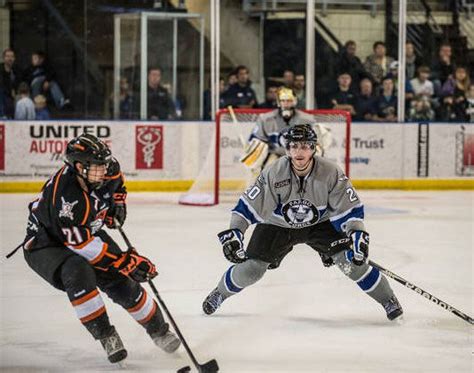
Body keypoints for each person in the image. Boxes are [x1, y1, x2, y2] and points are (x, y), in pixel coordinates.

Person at [202, 124, 404, 322]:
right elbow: (247, 206)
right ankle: (219, 293)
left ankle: (388, 300)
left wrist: (357, 234)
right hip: (278, 225)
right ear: (287, 149)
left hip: (320, 224)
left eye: (305, 146)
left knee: (352, 262)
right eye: (294, 146)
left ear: (313, 149)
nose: (299, 151)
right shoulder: (274, 172)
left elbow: (349, 209)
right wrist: (235, 231)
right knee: (252, 270)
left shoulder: (331, 172)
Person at [20, 134, 180, 365]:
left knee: (121, 281)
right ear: (78, 167)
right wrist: (127, 261)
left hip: (84, 232)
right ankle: (106, 335)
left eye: (104, 165)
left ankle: (159, 331)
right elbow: (81, 245)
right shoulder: (67, 197)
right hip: (46, 244)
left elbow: (118, 185)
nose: (103, 172)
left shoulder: (107, 168)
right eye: (96, 168)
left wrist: (117, 205)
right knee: (78, 270)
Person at [241, 87, 331, 173]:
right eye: (283, 101)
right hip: (274, 155)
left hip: (298, 155)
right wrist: (253, 151)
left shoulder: (307, 120)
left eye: (289, 101)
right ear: (278, 102)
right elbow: (256, 140)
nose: (286, 104)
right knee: (264, 174)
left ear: (295, 101)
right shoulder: (265, 119)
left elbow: (318, 142)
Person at [0, 48, 20, 118]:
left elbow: (19, 83)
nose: (10, 58)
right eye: (7, 56)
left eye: (12, 56)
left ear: (14, 58)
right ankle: (2, 116)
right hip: (3, 94)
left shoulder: (17, 69)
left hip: (13, 95)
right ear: (3, 58)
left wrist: (15, 90)